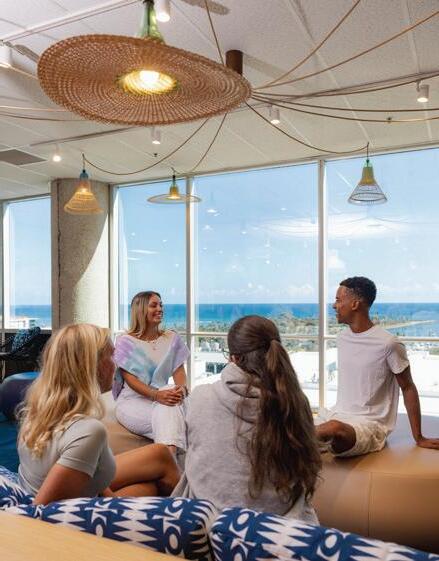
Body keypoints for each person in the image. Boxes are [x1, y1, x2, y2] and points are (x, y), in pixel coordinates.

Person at [173, 315, 321, 522]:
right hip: (276, 528)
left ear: (233, 358)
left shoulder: (201, 397)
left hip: (208, 523)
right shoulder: (296, 403)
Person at [18, 323, 180, 505]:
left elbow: (74, 467)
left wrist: (114, 499)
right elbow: (39, 511)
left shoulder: (35, 412)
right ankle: (188, 513)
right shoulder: (89, 432)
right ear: (92, 366)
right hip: (77, 514)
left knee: (157, 461)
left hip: (73, 489)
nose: (116, 363)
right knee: (160, 467)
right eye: (111, 355)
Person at [316, 276, 439, 457]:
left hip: (368, 425)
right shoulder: (342, 338)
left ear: (355, 304)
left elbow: (407, 387)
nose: (334, 305)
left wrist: (419, 437)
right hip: (336, 414)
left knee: (332, 429)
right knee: (291, 421)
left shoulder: (389, 343)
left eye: (338, 300)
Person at [113, 291, 190, 453]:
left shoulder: (171, 338)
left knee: (169, 398)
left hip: (165, 399)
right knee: (174, 417)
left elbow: (179, 372)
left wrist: (181, 390)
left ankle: (168, 460)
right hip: (133, 401)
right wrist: (156, 395)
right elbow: (131, 380)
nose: (160, 309)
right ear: (140, 310)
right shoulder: (125, 342)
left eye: (161, 305)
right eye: (153, 305)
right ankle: (172, 459)